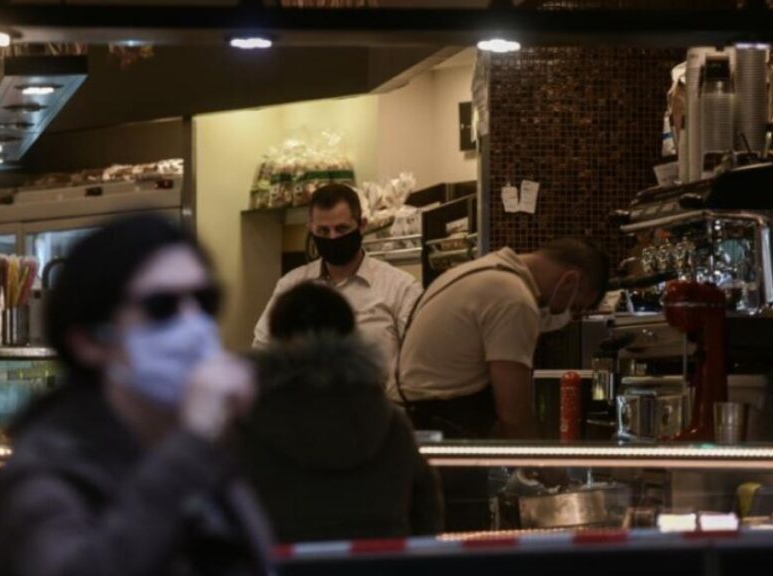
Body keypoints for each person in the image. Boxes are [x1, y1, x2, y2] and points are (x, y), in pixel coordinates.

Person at [0, 215, 272, 576]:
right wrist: (191, 447)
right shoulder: (48, 470)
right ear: (90, 341)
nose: (193, 326)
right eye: (161, 307)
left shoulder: (204, 445)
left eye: (205, 301)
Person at [241, 282, 442, 543]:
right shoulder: (390, 420)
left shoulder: (248, 420)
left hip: (282, 560)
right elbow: (425, 513)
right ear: (350, 335)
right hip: (378, 560)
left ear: (276, 337)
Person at [395, 239, 610, 440]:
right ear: (569, 281)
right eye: (575, 307)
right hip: (443, 429)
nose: (567, 316)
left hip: (415, 422)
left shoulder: (484, 271)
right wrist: (540, 462)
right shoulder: (514, 300)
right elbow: (514, 414)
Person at [252, 184, 422, 393]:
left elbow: (421, 361)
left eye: (341, 229)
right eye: (323, 231)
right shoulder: (292, 285)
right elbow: (264, 352)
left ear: (362, 225)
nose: (333, 238)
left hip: (376, 407)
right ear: (310, 228)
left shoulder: (400, 288)